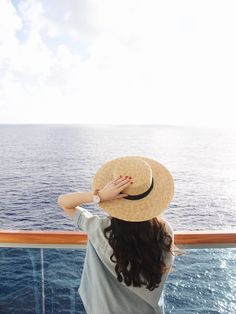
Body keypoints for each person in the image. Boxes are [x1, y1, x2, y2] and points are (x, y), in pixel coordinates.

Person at [58, 155, 177, 314]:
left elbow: (64, 202)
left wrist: (99, 196)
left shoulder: (98, 228)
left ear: (116, 200)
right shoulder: (165, 231)